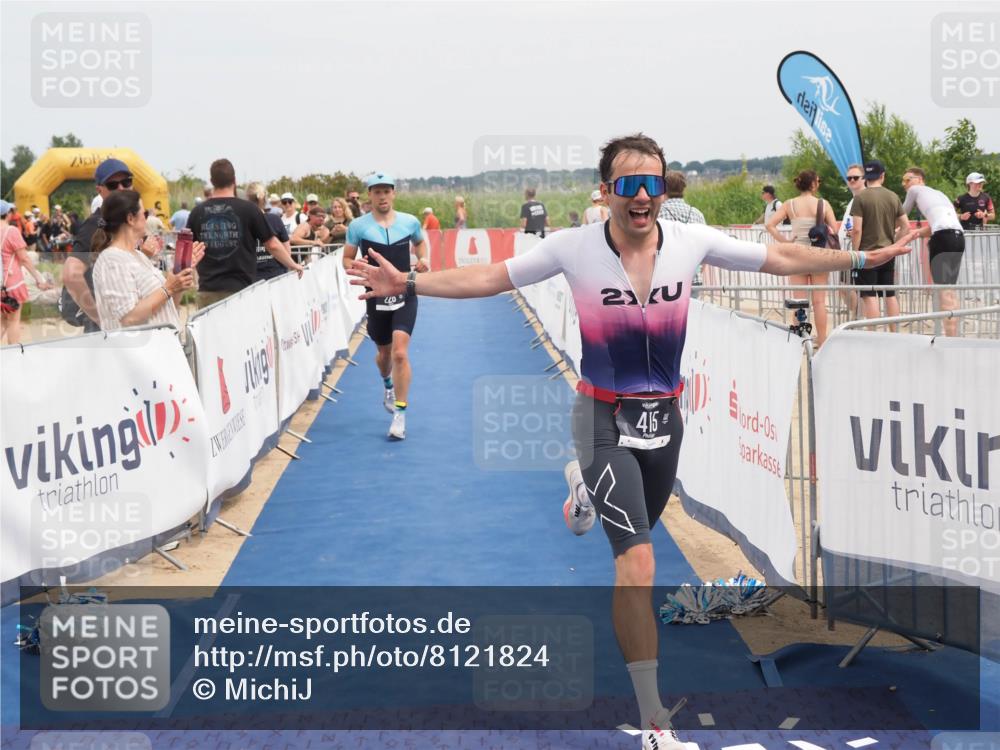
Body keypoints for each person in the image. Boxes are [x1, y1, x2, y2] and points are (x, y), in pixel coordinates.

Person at [346, 133, 915, 750]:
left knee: (632, 530)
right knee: (638, 561)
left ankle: (580, 488)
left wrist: (864, 260)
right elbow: (489, 276)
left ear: (663, 189)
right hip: (600, 417)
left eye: (653, 184)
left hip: (664, 421)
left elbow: (779, 259)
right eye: (628, 185)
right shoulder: (575, 248)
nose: (642, 196)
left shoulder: (691, 242)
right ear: (606, 192)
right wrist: (409, 282)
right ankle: (654, 723)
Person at [342, 172, 430, 441]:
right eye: (376, 192)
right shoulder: (358, 226)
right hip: (376, 296)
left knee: (400, 353)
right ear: (369, 195)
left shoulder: (410, 221)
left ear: (393, 193)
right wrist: (360, 272)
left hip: (406, 290)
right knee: (384, 355)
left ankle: (400, 415)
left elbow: (420, 244)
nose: (382, 196)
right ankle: (387, 384)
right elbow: (346, 259)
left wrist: (423, 259)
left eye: (386, 191)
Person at [186, 158, 303, 308]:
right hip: (241, 291)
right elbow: (272, 245)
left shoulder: (197, 212)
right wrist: (293, 264)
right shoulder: (249, 209)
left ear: (212, 181)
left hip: (208, 290)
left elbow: (186, 250)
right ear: (234, 180)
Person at [91, 190, 203, 331]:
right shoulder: (111, 261)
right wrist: (168, 288)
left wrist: (179, 275)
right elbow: (129, 317)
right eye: (145, 214)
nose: (147, 219)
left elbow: (168, 306)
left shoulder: (139, 255)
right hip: (137, 352)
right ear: (130, 219)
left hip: (161, 348)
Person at [765, 169, 839, 347]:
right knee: (819, 302)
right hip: (818, 256)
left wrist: (786, 242)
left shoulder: (789, 204)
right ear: (813, 184)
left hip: (797, 255)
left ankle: (798, 341)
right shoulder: (823, 204)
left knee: (798, 302)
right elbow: (834, 229)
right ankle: (822, 341)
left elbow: (770, 225)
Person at [62, 158, 135, 332]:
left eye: (126, 182)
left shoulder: (125, 220)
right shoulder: (96, 224)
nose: (121, 189)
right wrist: (99, 317)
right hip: (107, 330)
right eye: (112, 185)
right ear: (100, 190)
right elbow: (71, 274)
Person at [902, 167, 965, 336]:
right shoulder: (940, 194)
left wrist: (895, 236)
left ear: (920, 179)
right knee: (950, 290)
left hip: (943, 238)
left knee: (944, 291)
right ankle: (955, 336)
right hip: (958, 237)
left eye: (908, 180)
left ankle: (950, 340)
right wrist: (915, 233)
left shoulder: (915, 190)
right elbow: (939, 225)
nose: (904, 185)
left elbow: (901, 215)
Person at [850, 160, 911, 325]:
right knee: (889, 295)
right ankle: (894, 334)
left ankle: (874, 337)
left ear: (866, 178)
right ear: (882, 176)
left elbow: (856, 230)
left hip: (866, 255)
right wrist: (895, 245)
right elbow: (906, 225)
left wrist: (854, 254)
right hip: (888, 253)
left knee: (870, 296)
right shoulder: (893, 196)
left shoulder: (860, 197)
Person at [1, 200, 54, 344]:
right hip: (10, 284)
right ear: (7, 214)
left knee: (2, 322)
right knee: (13, 321)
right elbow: (24, 258)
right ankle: (15, 356)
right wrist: (39, 279)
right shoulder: (11, 231)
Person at [836, 164, 866, 315]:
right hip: (847, 250)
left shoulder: (865, 198)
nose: (852, 180)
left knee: (861, 289)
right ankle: (856, 315)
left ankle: (858, 317)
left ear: (864, 179)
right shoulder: (853, 200)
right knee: (844, 286)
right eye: (849, 178)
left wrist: (855, 248)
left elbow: (861, 227)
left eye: (855, 177)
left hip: (858, 250)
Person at [246, 182, 291, 281]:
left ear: (247, 198)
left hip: (252, 281)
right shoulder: (274, 219)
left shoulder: (242, 222)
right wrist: (293, 265)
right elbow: (287, 251)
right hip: (277, 276)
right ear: (265, 199)